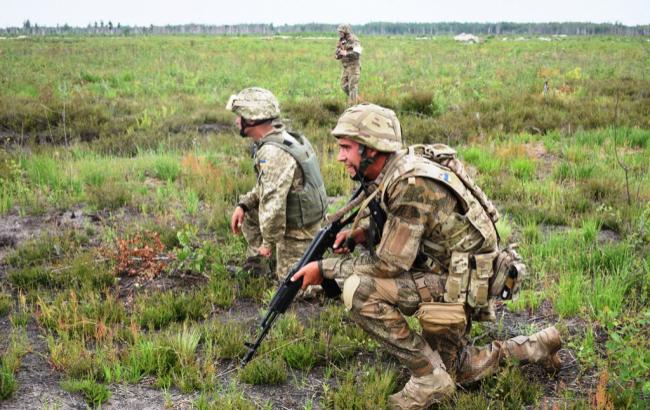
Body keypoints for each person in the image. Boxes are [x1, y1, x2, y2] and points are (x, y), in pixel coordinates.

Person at [292, 103, 562, 410]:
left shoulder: (410, 184)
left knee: (359, 289)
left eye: (346, 148)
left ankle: (427, 379)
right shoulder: (400, 166)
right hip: (457, 274)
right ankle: (536, 346)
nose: (340, 156)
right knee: (456, 370)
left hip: (459, 283)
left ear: (373, 149)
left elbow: (388, 266)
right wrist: (362, 234)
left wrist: (324, 269)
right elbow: (418, 229)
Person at [227, 87, 328, 284]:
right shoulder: (280, 138)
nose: (237, 120)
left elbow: (273, 204)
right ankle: (261, 263)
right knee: (249, 211)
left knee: (295, 285)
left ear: (252, 119)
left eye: (240, 115)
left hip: (300, 228)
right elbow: (266, 186)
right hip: (296, 216)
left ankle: (336, 275)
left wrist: (267, 243)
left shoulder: (273, 153)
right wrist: (244, 204)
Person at [335, 24, 362, 105]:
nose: (339, 33)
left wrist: (346, 53)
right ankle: (359, 102)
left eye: (341, 31)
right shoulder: (342, 40)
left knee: (352, 87)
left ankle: (354, 108)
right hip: (346, 67)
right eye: (339, 31)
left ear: (346, 31)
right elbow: (338, 51)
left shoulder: (354, 39)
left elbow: (357, 53)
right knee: (344, 86)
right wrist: (338, 54)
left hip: (354, 67)